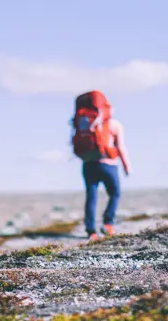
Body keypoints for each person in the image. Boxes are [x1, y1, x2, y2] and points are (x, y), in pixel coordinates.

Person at [71, 90, 132, 241]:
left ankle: (91, 231)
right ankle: (108, 223)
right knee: (115, 193)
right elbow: (120, 147)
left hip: (88, 164)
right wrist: (126, 166)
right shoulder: (114, 124)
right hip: (108, 165)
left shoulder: (84, 122)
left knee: (91, 196)